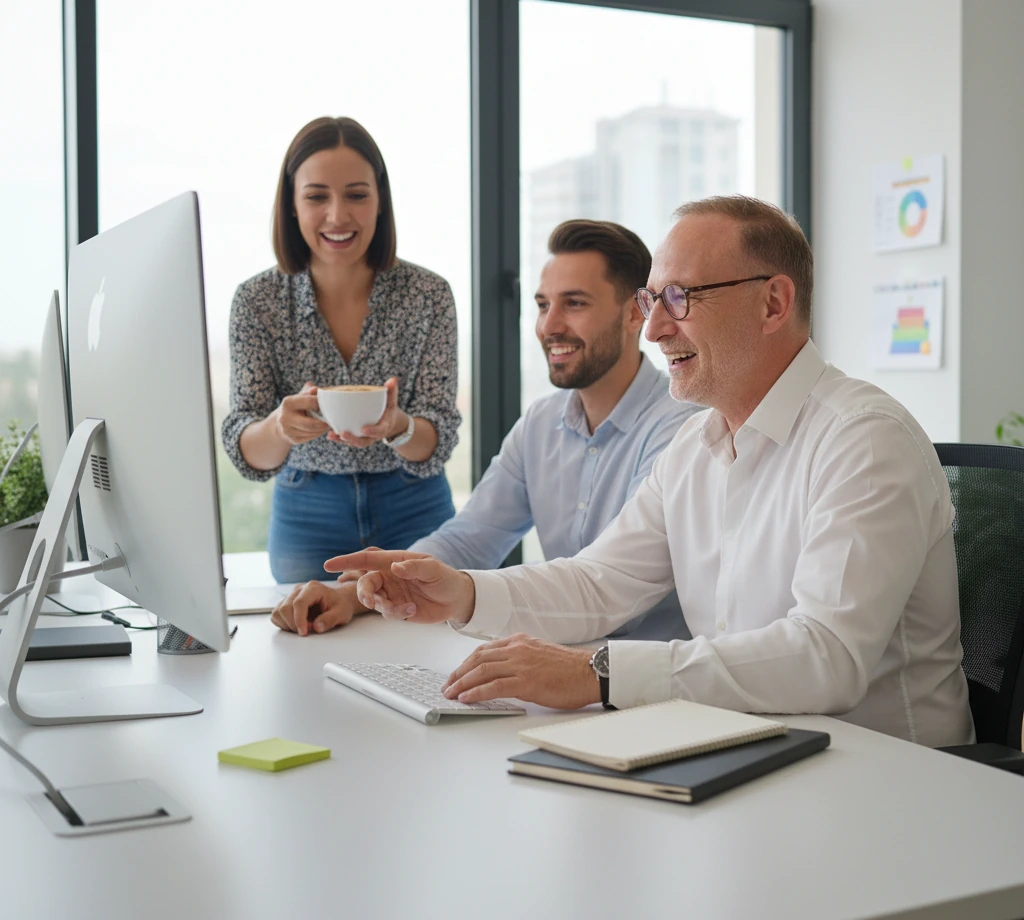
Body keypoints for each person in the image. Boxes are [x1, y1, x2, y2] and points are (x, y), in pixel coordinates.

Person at [329, 196, 974, 751]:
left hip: (890, 779)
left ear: (773, 302)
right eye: (651, 299)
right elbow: (599, 581)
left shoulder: (863, 440)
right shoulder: (697, 444)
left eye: (680, 298)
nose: (656, 328)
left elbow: (825, 657)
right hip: (751, 749)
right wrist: (464, 593)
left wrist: (597, 673)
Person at [272, 219, 702, 641]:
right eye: (542, 305)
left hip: (647, 673)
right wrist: (356, 593)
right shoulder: (540, 425)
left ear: (635, 314)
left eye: (574, 303)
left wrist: (467, 594)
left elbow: (611, 590)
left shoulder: (680, 428)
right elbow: (470, 539)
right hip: (563, 658)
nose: (549, 326)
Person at [221, 116, 461, 584]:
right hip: (307, 510)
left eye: (356, 195)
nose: (337, 216)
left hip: (414, 503)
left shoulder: (429, 295)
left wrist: (399, 426)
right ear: (292, 204)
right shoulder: (257, 301)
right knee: (308, 626)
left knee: (428, 627)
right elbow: (246, 448)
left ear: (380, 201)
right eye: (317, 197)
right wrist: (281, 427)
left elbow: (438, 437)